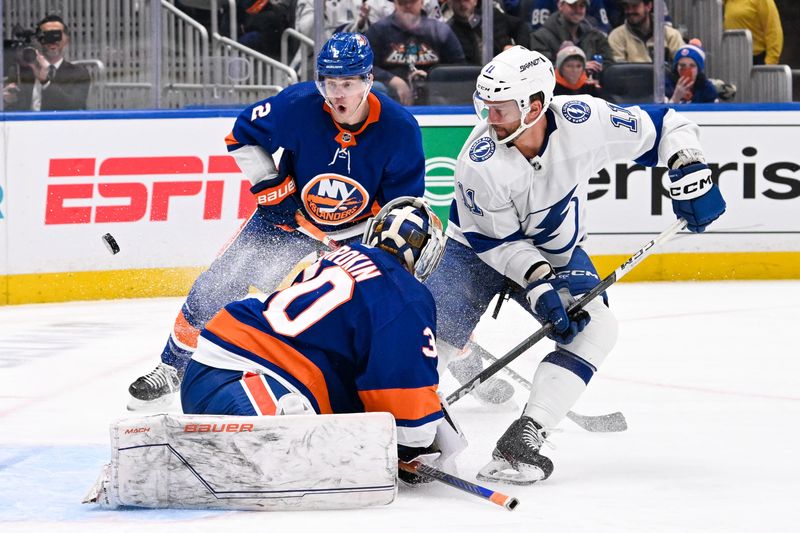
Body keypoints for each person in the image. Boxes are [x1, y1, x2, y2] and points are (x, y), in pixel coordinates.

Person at [423, 45, 726, 484]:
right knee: (434, 330)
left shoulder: (586, 120)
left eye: (502, 109)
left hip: (556, 249)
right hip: (475, 251)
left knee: (597, 328)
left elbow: (666, 125)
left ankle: (526, 436)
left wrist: (688, 165)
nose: (491, 118)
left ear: (536, 105)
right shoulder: (479, 162)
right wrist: (538, 283)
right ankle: (409, 425)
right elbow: (495, 241)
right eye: (487, 107)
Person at [127, 33, 427, 410]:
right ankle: (173, 366)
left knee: (374, 309)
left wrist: (369, 247)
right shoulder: (299, 105)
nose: (337, 94)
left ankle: (441, 361)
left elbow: (402, 204)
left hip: (358, 234)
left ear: (367, 81)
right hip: (290, 222)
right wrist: (274, 191)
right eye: (330, 83)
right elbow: (241, 135)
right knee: (219, 284)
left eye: (347, 84)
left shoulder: (400, 129)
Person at [180, 196, 456, 479]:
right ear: (428, 253)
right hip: (261, 388)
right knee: (288, 464)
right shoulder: (407, 295)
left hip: (208, 367)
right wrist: (414, 446)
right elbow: (408, 413)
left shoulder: (338, 257)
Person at [365, 0, 466, 105]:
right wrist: (393, 80)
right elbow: (365, 66)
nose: (408, 6)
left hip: (434, 95)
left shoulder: (439, 31)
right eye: (402, 3)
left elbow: (458, 67)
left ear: (421, 2)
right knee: (376, 88)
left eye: (412, 2)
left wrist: (433, 78)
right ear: (395, 3)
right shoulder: (378, 30)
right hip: (391, 96)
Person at [3, 14, 90, 111]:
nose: (52, 41)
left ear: (67, 40)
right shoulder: (19, 71)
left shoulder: (78, 74)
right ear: (39, 40)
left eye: (57, 35)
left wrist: (45, 82)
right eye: (47, 35)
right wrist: (6, 101)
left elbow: (73, 105)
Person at [529, 0, 613, 79]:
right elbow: (541, 68)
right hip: (558, 91)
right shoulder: (540, 37)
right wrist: (580, 67)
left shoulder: (595, 35)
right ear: (560, 5)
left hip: (593, 89)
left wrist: (598, 70)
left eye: (582, 5)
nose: (578, 10)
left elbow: (609, 62)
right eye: (572, 5)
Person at [448, 0, 531, 65]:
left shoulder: (492, 15)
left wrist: (519, 50)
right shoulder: (448, 30)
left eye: (466, 0)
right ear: (450, 3)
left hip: (505, 70)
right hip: (471, 77)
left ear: (475, 1)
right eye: (457, 0)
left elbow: (520, 26)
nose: (462, 4)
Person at [608, 0, 684, 64]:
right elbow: (618, 74)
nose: (630, 11)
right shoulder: (616, 37)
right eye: (626, 7)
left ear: (648, 6)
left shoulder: (671, 35)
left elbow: (683, 63)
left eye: (635, 6)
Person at [723, 0, 783, 65]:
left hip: (756, 58)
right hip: (733, 59)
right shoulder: (727, 2)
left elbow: (773, 30)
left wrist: (770, 62)